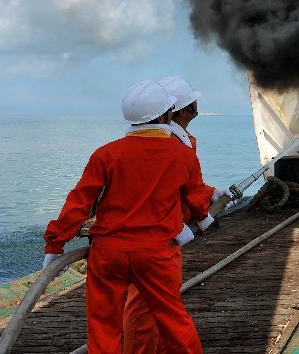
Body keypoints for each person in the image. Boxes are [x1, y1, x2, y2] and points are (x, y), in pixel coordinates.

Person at [43, 81, 211, 353]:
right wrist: (203, 217)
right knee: (173, 321)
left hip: (109, 253)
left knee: (103, 327)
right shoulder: (183, 155)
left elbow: (79, 203)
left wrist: (54, 244)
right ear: (166, 115)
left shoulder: (106, 154)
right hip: (156, 255)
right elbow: (195, 198)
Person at [122, 76, 229, 353]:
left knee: (157, 304)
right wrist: (201, 212)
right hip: (156, 236)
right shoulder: (169, 142)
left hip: (167, 233)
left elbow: (183, 184)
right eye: (193, 100)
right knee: (145, 306)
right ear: (182, 110)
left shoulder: (180, 139)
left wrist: (210, 193)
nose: (197, 103)